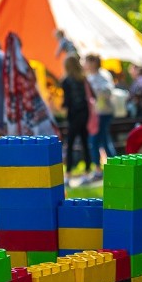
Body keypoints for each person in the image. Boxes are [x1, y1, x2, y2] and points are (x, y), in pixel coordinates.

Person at [60, 55, 94, 185]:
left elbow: (67, 101)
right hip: (85, 114)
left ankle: (67, 174)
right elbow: (91, 95)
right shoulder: (83, 78)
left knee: (70, 143)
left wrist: (60, 108)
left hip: (73, 115)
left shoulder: (66, 81)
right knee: (85, 143)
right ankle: (87, 170)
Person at [85, 54, 116, 166]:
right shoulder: (88, 77)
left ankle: (104, 166)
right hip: (94, 114)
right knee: (102, 140)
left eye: (87, 61)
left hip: (104, 112)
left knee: (97, 140)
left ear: (93, 62)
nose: (85, 64)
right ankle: (112, 164)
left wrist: (96, 91)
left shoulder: (103, 75)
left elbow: (108, 91)